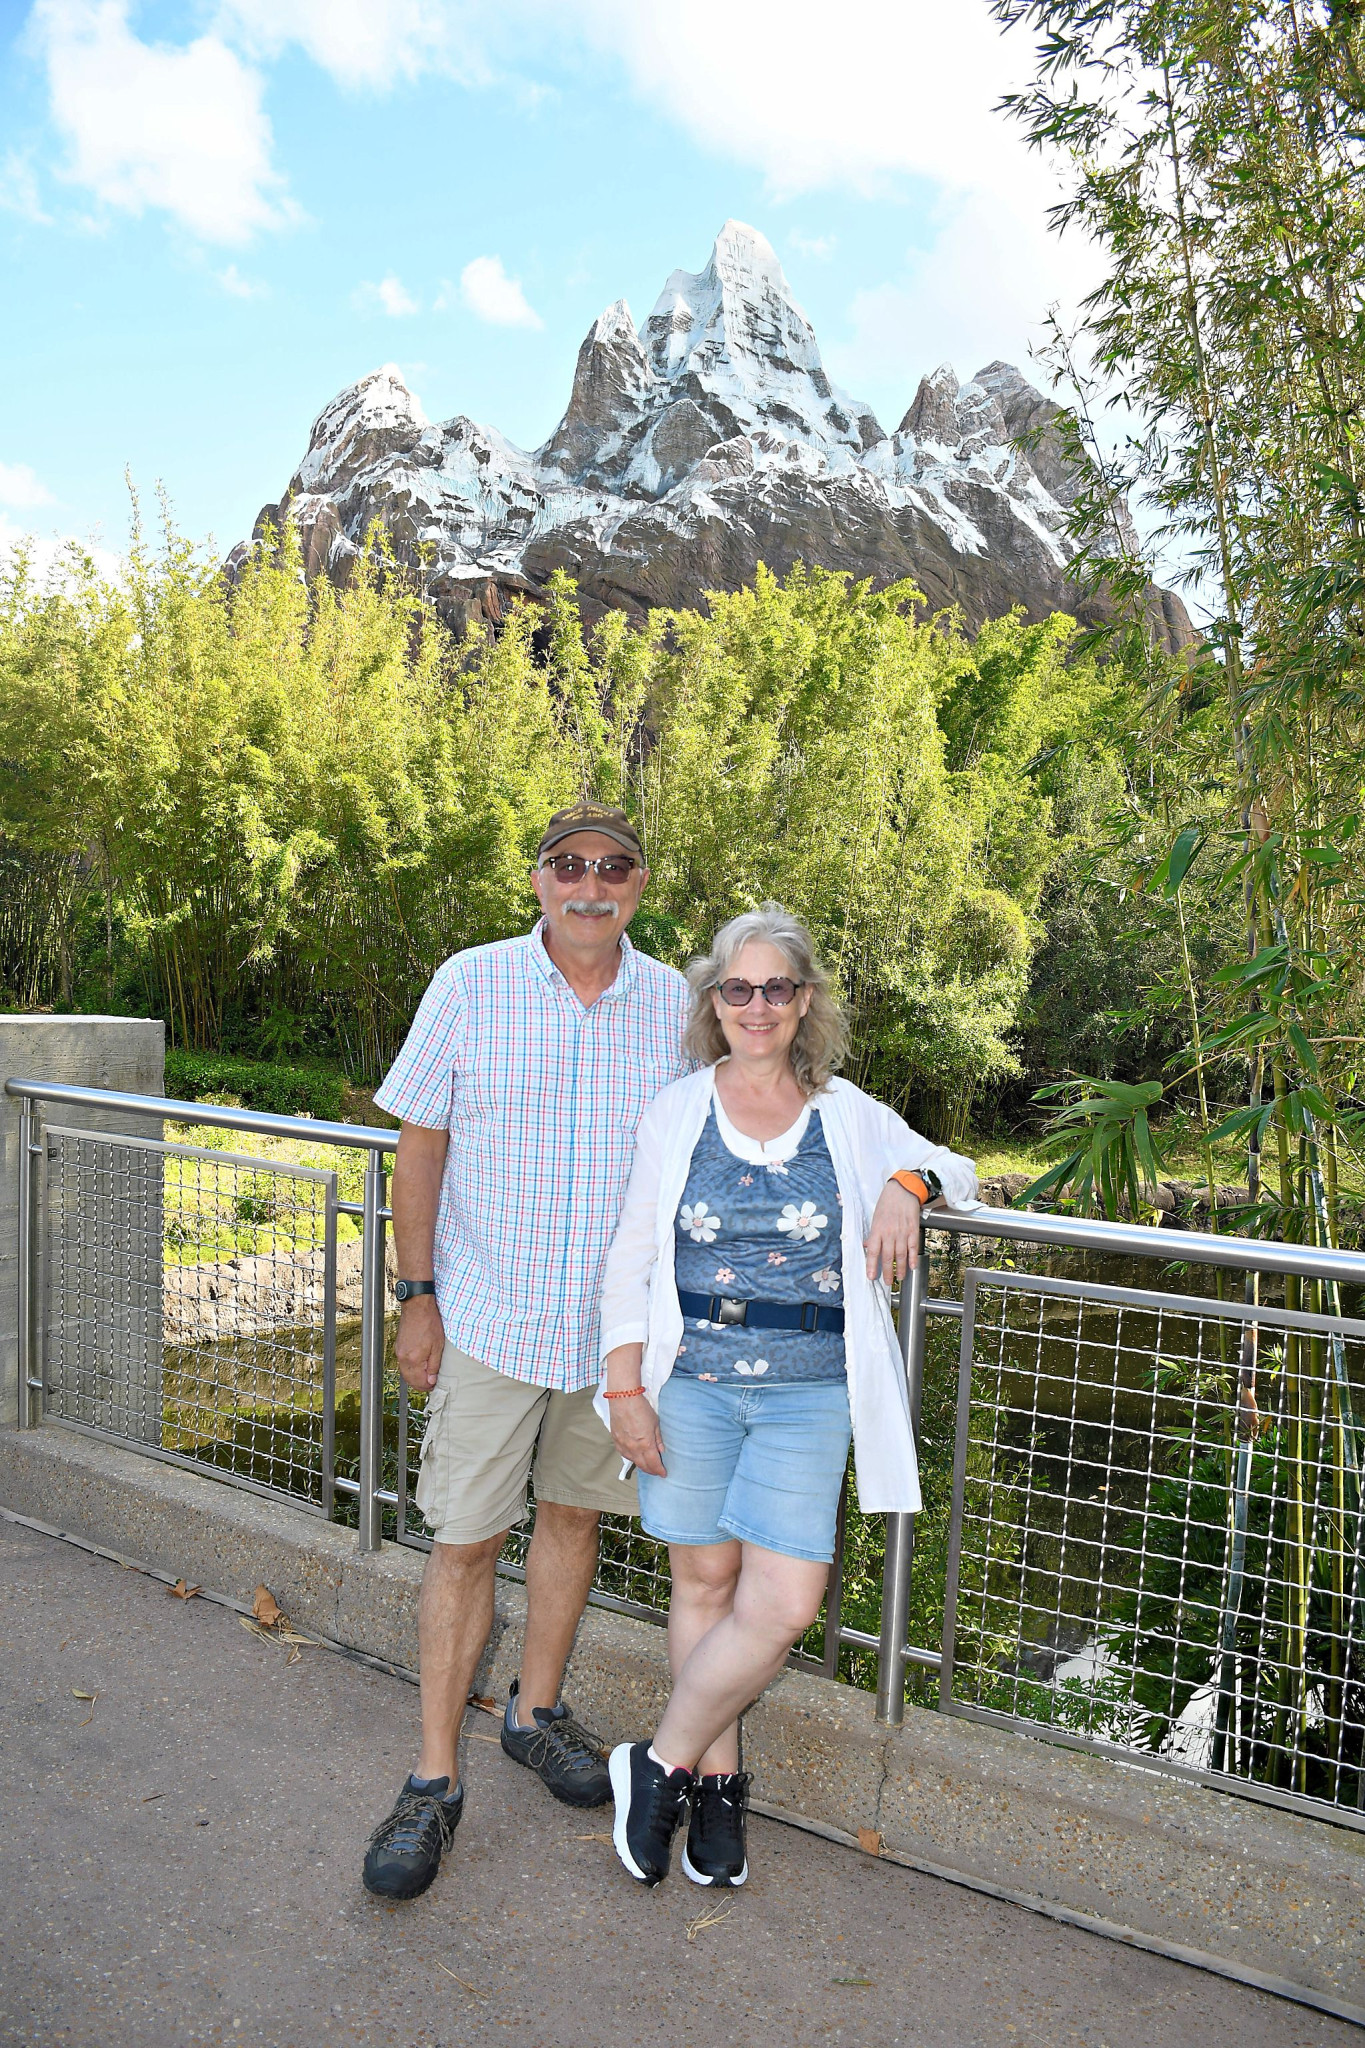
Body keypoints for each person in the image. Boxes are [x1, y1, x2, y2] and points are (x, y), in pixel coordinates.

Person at [596, 903, 978, 1888]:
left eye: (776, 987)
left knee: (785, 1604)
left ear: (804, 1000)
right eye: (738, 987)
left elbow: (959, 1167)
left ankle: (658, 1762)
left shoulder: (844, 1112)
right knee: (703, 1585)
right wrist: (624, 1383)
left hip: (808, 1393)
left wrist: (906, 1184)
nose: (756, 1005)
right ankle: (718, 1788)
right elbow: (632, 1256)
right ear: (713, 1001)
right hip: (692, 1382)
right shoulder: (677, 1110)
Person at [361, 801, 691, 1902]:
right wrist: (416, 1296)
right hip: (489, 1319)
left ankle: (534, 1711)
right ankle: (432, 1777)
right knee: (463, 1542)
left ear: (638, 884)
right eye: (569, 865)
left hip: (611, 1339)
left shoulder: (678, 1004)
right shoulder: (471, 982)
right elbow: (420, 1143)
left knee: (574, 1518)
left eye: (614, 867)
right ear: (539, 879)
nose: (591, 884)